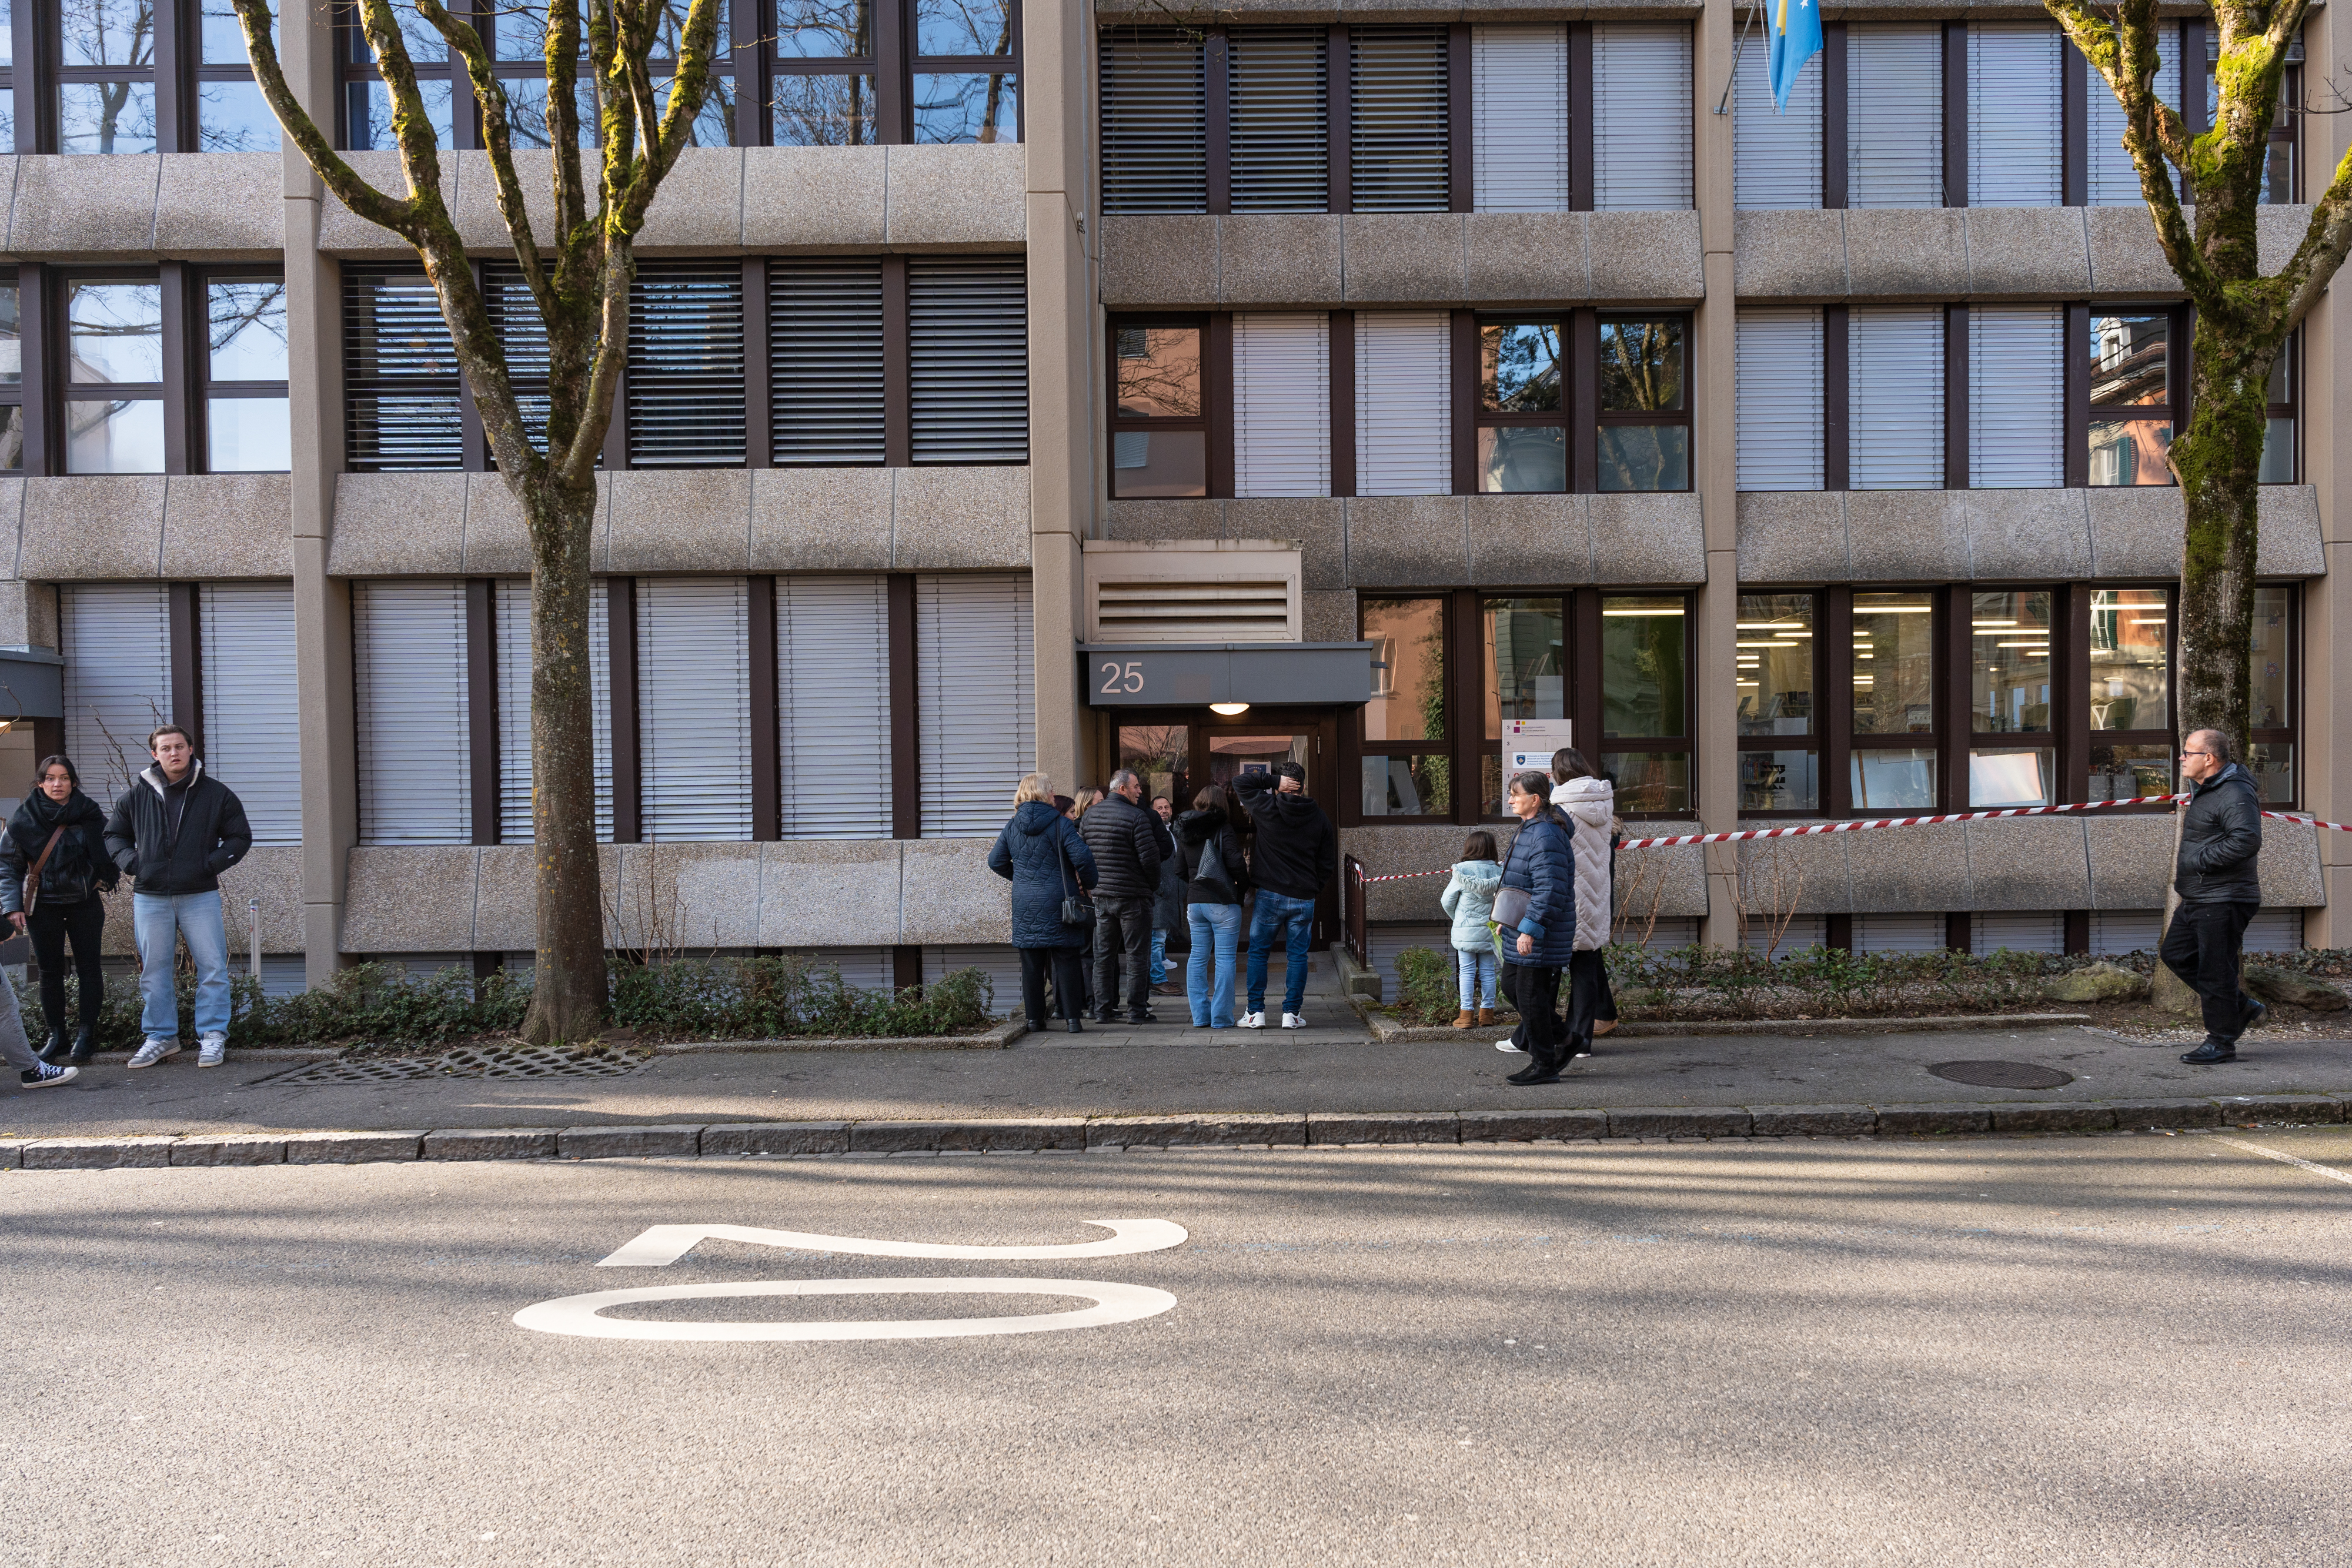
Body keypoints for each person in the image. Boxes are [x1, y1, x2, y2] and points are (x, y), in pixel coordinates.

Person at [104, 725, 252, 1070]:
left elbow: (239, 837)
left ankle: (213, 1036)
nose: (174, 753)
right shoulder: (135, 796)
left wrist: (209, 865)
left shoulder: (216, 794)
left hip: (199, 894)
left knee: (212, 967)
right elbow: (113, 836)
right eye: (166, 748)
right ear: (155, 754)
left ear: (190, 750)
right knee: (154, 971)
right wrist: (134, 864)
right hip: (150, 896)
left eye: (180, 747)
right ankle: (161, 1037)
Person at [1, 756, 119, 1065]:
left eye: (64, 778)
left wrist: (101, 879)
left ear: (73, 782)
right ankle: (57, 1037)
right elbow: (7, 866)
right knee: (49, 973)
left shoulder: (91, 814)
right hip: (43, 907)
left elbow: (112, 850)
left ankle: (85, 1036)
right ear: (40, 783)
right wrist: (12, 906)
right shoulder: (22, 818)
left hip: (84, 905)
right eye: (50, 778)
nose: (58, 784)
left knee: (89, 969)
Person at [2163, 728, 2266, 1065]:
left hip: (2224, 897)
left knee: (2215, 971)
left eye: (2188, 752)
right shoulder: (2209, 789)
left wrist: (2198, 860)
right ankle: (2240, 1007)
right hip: (2199, 895)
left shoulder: (2234, 792)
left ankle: (2221, 1042)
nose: (2182, 758)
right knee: (2176, 954)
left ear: (2208, 759)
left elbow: (2246, 840)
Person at [988, 773, 1098, 1035]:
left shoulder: (1013, 826)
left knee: (1031, 964)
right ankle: (1072, 1020)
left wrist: (1022, 879)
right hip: (1060, 900)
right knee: (1067, 960)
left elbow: (995, 861)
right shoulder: (1061, 825)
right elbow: (1083, 857)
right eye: (1051, 791)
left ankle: (1035, 1020)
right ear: (1042, 794)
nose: (1053, 794)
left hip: (1026, 902)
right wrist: (1090, 882)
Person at [1234, 760, 1337, 1029]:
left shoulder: (1267, 808)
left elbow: (1239, 783)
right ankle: (1291, 1014)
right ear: (1303, 786)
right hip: (1304, 895)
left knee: (1258, 953)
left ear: (1282, 786)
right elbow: (1327, 861)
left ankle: (1255, 1013)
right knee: (1298, 955)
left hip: (1270, 894)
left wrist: (1271, 782)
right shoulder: (1319, 816)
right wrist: (1315, 887)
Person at [1496, 771, 1576, 1085]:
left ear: (1536, 799)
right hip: (1522, 925)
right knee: (1511, 986)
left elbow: (1550, 889)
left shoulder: (1545, 834)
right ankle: (1566, 1038)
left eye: (1515, 794)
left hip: (1540, 930)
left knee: (1530, 996)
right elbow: (1518, 881)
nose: (1510, 799)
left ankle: (1545, 1064)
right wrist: (1508, 920)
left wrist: (1529, 928)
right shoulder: (1529, 828)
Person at [1077, 769, 1165, 1024]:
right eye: (1136, 787)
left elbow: (1082, 856)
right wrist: (1151, 888)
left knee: (1103, 957)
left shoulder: (1089, 816)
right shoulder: (1137, 817)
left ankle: (1102, 1010)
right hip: (1133, 897)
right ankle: (1137, 1011)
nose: (1140, 791)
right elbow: (1151, 861)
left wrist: (1090, 885)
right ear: (1122, 789)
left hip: (1102, 897)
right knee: (1138, 956)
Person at [1551, 750, 1618, 1058]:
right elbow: (1611, 841)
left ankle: (1540, 1034)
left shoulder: (1562, 807)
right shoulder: (1605, 802)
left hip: (1569, 896)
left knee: (1545, 969)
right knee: (1586, 968)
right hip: (1597, 894)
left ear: (1557, 774)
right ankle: (1582, 1041)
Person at [1175, 786, 1250, 1028]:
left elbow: (1179, 869)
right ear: (1222, 804)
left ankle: (1200, 1016)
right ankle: (1221, 1017)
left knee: (1197, 956)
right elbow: (1236, 863)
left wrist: (1196, 884)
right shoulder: (1223, 828)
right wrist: (1243, 887)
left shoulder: (1185, 828)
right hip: (1222, 902)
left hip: (1194, 903)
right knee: (1225, 959)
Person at [1440, 831, 1503, 1028]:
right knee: (1488, 971)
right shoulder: (1499, 872)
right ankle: (1487, 1015)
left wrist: (1458, 919)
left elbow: (1447, 901)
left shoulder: (1461, 873)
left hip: (1465, 930)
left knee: (1466, 972)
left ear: (1469, 848)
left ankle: (1466, 1015)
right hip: (1490, 930)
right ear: (1492, 848)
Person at [1148, 795, 1184, 997]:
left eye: (1167, 807)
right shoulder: (1151, 833)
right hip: (1159, 894)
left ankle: (1159, 973)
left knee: (1160, 940)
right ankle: (1158, 980)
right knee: (1157, 940)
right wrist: (1159, 888)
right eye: (1159, 808)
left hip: (1172, 894)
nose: (1164, 811)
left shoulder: (1174, 832)